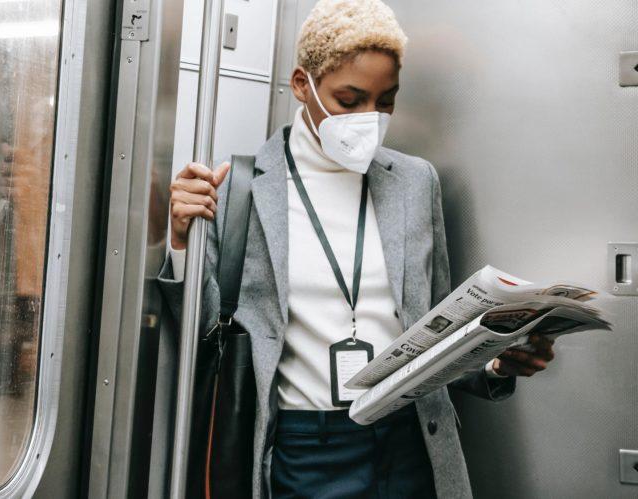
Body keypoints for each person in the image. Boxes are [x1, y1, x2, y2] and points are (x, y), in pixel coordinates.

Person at [157, 0, 556, 497]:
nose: (370, 118)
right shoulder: (241, 188)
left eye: (385, 100)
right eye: (350, 100)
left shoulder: (415, 182)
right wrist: (179, 242)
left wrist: (497, 361)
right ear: (302, 85)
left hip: (411, 438)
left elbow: (434, 332)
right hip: (306, 445)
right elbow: (198, 332)